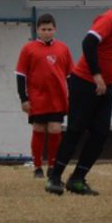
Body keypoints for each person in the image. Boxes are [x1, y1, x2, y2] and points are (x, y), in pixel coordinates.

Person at [45, 0, 112, 196]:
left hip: (105, 87)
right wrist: (97, 74)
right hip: (84, 83)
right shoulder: (109, 19)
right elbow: (89, 43)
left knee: (100, 133)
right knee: (75, 130)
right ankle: (55, 177)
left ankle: (78, 179)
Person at [15, 13, 73, 179]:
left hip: (58, 98)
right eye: (43, 29)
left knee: (55, 129)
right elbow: (20, 75)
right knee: (39, 128)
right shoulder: (28, 49)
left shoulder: (63, 48)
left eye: (50, 29)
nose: (47, 32)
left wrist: (72, 96)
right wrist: (24, 98)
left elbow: (70, 75)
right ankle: (38, 167)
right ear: (37, 30)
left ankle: (53, 165)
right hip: (37, 98)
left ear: (55, 30)